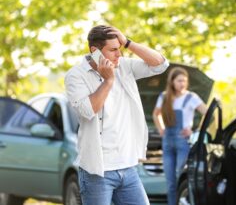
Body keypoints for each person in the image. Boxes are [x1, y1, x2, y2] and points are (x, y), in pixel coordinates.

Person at [64, 25, 169, 205]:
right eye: (113, 50)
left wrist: (128, 42)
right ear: (94, 51)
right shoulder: (75, 76)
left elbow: (161, 64)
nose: (118, 54)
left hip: (128, 168)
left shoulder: (124, 66)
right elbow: (88, 110)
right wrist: (109, 80)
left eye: (119, 49)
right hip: (97, 171)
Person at [152, 67, 207, 205]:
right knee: (170, 182)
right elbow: (155, 114)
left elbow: (207, 112)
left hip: (184, 143)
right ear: (172, 82)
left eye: (185, 81)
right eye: (179, 80)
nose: (182, 83)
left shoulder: (191, 97)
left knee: (180, 178)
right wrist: (161, 129)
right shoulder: (164, 97)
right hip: (167, 142)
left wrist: (195, 130)